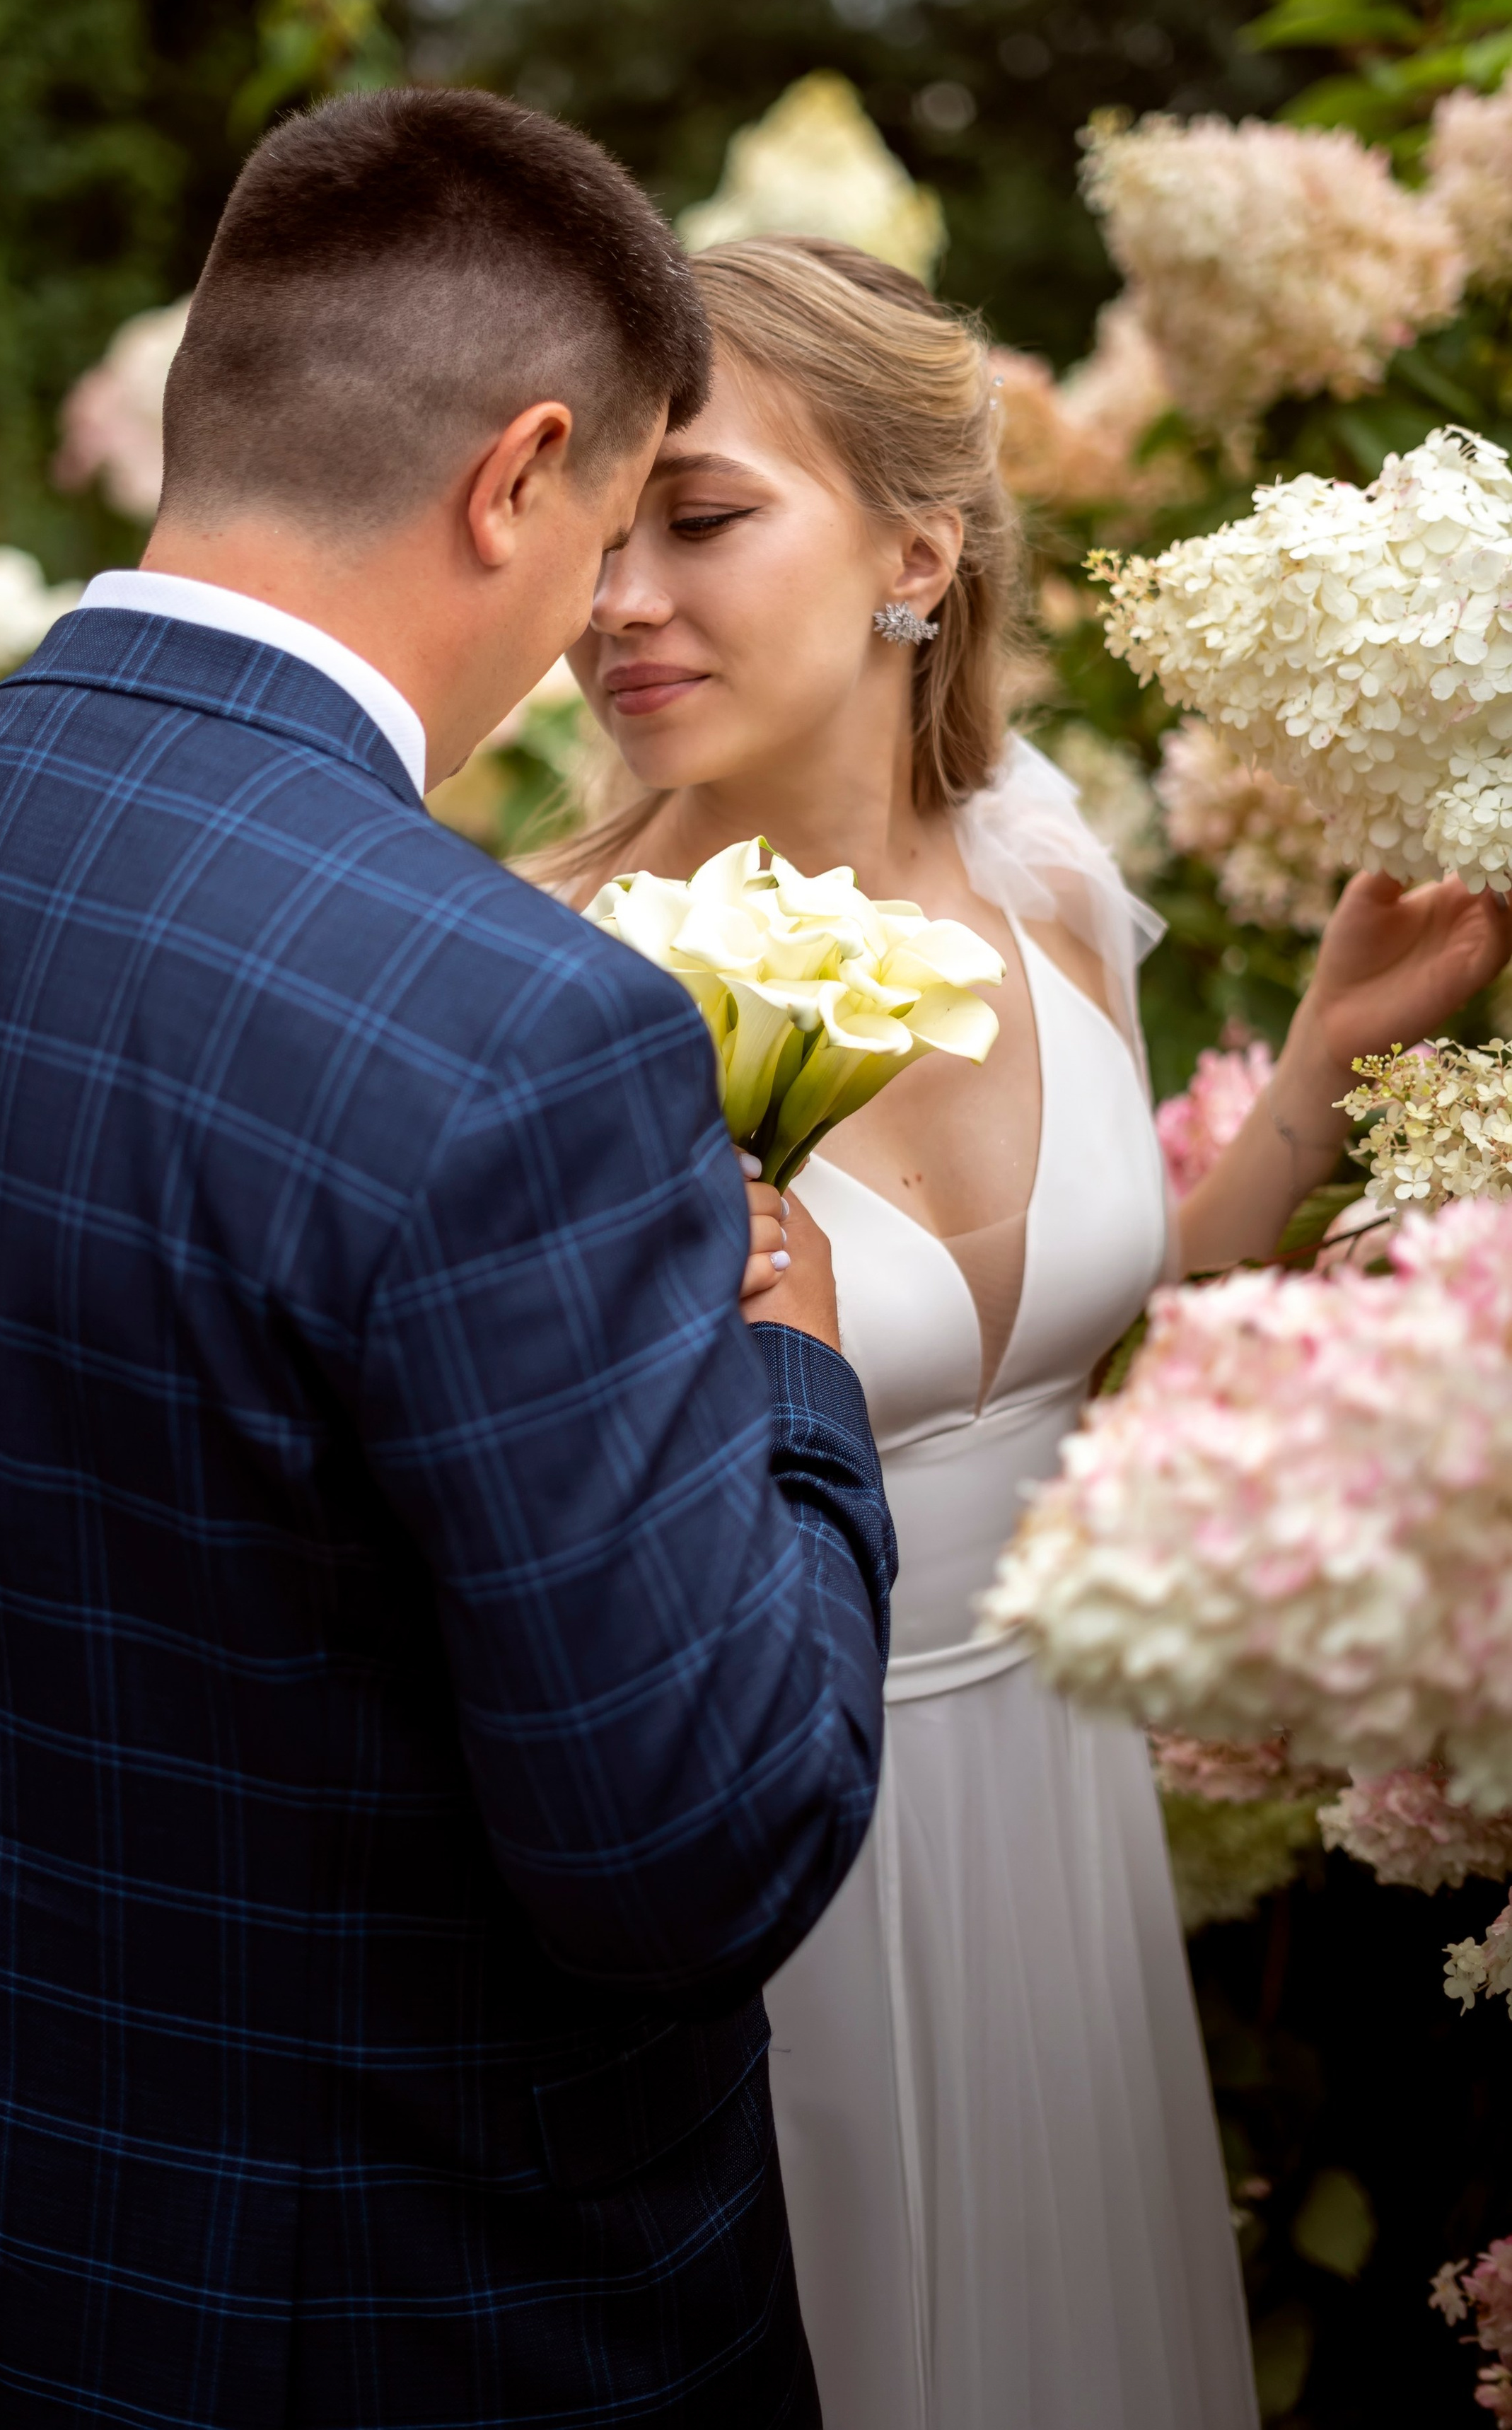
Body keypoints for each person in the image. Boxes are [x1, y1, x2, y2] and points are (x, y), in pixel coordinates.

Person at [0, 96, 897, 2426]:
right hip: (387, 2323)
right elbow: (694, 1844)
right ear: (514, 477)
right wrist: (797, 1395)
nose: (593, 623)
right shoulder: (524, 1035)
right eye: (605, 530)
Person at [545, 232, 1512, 2430]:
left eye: (694, 516)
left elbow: (1110, 1331)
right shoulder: (561, 990)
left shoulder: (1051, 876)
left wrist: (1311, 1084)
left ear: (915, 549)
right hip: (781, 1867)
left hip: (1060, 1833)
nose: (617, 598)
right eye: (596, 532)